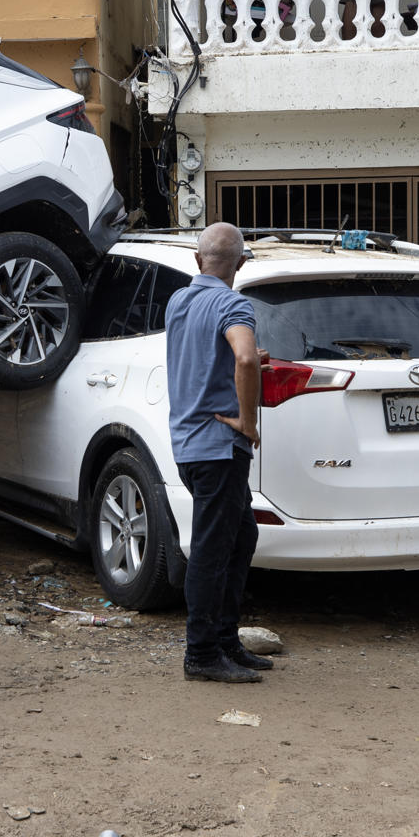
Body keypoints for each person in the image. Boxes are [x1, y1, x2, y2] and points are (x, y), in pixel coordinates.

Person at [164, 222, 267, 684]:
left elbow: (219, 356)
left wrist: (243, 360)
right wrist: (248, 422)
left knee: (241, 537)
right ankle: (201, 654)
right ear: (241, 263)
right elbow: (243, 358)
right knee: (212, 550)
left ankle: (226, 641)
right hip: (220, 448)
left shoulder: (178, 302)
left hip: (189, 444)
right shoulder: (233, 303)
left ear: (197, 259)